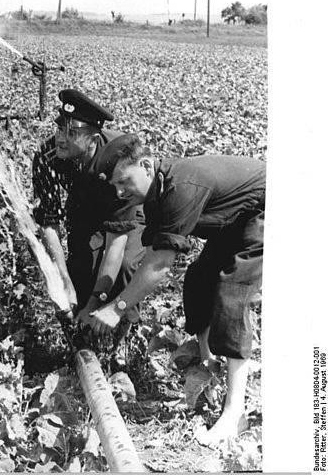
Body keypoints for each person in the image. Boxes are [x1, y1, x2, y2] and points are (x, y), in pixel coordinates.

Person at [88, 133, 266, 447]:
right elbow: (148, 258)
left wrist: (116, 309)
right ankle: (208, 375)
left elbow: (160, 265)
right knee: (198, 280)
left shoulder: (179, 188)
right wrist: (109, 300)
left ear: (145, 165)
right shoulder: (154, 193)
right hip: (235, 220)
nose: (118, 191)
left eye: (124, 181)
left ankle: (234, 412)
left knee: (230, 292)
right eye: (114, 184)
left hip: (268, 209)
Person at [32, 89, 145, 332]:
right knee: (81, 267)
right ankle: (84, 333)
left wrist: (98, 300)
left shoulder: (119, 161)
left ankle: (125, 332)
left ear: (93, 139)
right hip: (85, 205)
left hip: (127, 208)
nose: (61, 138)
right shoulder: (47, 157)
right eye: (60, 128)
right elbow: (49, 222)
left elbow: (116, 243)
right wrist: (64, 279)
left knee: (124, 267)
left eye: (72, 133)